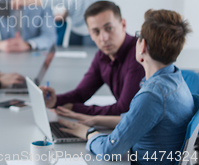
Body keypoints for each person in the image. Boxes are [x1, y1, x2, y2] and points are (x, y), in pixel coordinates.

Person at [56, 9, 195, 165]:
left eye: (138, 36)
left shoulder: (153, 95)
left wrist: (89, 134)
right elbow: (138, 119)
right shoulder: (176, 79)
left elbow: (109, 151)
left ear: (142, 46)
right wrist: (95, 119)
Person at [40, 1, 145, 115]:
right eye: (96, 32)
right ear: (90, 33)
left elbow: (124, 109)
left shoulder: (138, 55)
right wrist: (55, 100)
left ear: (123, 25)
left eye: (109, 28)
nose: (103, 38)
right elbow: (81, 93)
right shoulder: (101, 56)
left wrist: (75, 108)